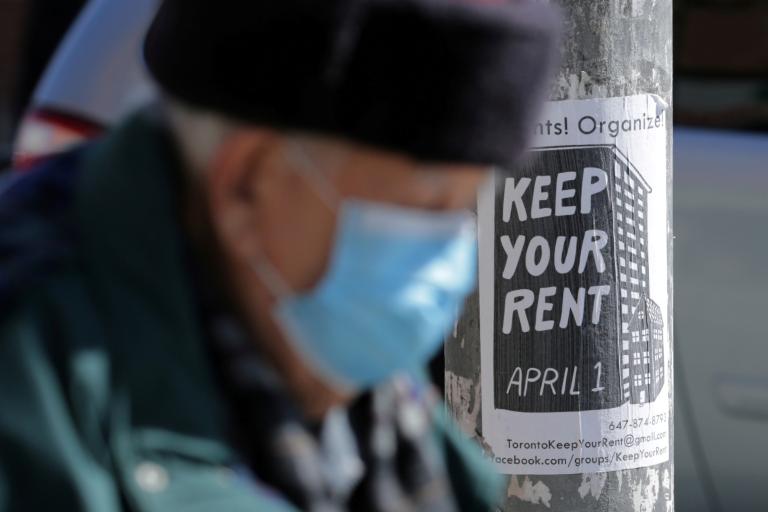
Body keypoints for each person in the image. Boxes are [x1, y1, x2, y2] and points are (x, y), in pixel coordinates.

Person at [0, 0, 560, 510]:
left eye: (461, 212)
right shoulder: (34, 385)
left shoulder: (322, 338)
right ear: (247, 184)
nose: (448, 265)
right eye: (423, 207)